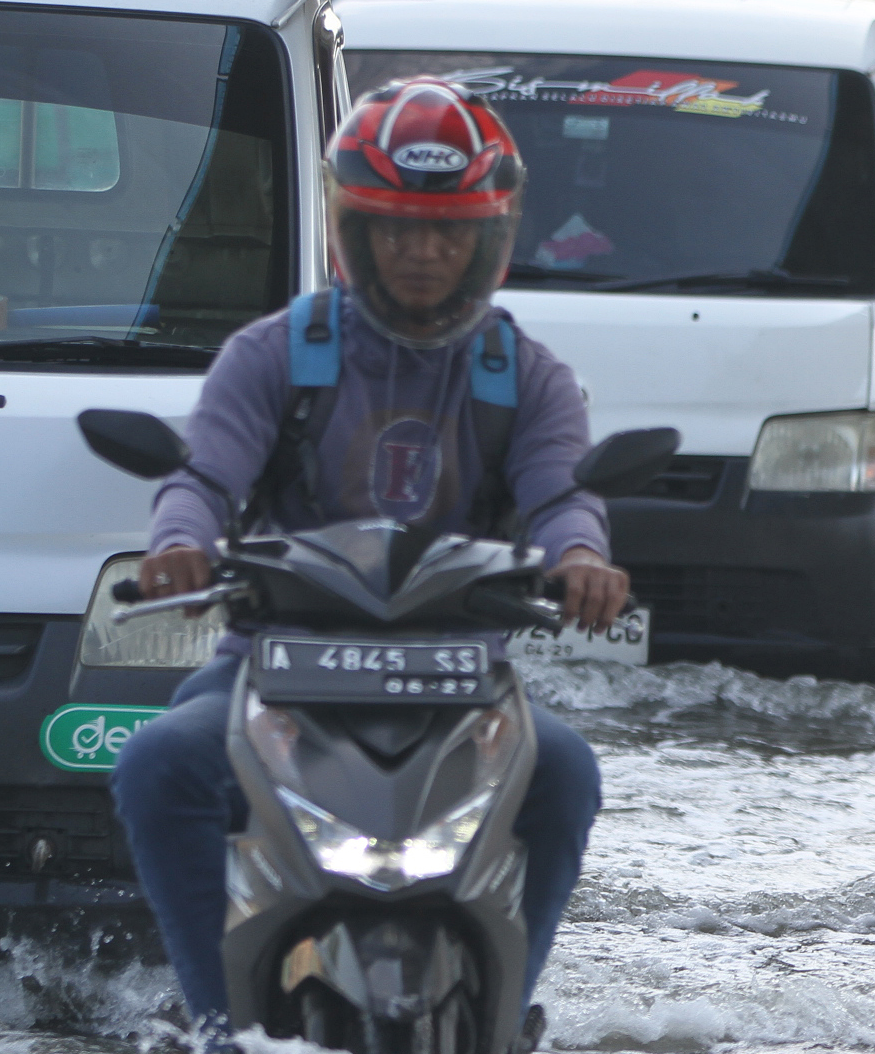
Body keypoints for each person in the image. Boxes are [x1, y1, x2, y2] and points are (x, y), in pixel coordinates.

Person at [110, 80, 623, 1035]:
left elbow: (562, 493)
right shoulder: (273, 353)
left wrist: (582, 555)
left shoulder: (530, 375)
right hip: (277, 661)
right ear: (354, 229)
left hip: (462, 675)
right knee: (158, 763)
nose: (423, 252)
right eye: (397, 229)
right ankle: (219, 1017)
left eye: (447, 231)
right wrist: (178, 542)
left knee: (565, 771)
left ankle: (509, 1009)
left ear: (489, 236)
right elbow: (203, 473)